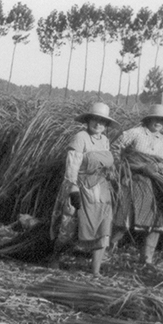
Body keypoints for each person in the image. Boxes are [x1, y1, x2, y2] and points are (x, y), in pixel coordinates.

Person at [110, 104, 163, 265]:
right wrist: (126, 167)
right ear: (149, 119)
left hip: (154, 185)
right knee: (123, 219)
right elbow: (114, 148)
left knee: (155, 223)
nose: (158, 122)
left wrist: (155, 169)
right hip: (132, 181)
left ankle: (147, 259)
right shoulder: (134, 133)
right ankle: (106, 250)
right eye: (156, 119)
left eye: (162, 120)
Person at [64, 102, 118, 276]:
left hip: (101, 189)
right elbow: (72, 164)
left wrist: (111, 174)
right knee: (69, 225)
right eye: (95, 119)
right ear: (88, 120)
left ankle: (95, 270)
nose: (98, 124)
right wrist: (72, 187)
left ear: (106, 124)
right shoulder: (81, 137)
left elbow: (106, 165)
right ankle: (54, 257)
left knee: (103, 229)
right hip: (81, 186)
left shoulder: (105, 140)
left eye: (102, 121)